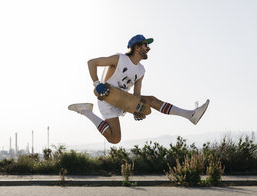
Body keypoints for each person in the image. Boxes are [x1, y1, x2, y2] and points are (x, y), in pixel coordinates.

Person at [68, 34, 210, 144]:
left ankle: (190, 115)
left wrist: (135, 110)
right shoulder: (119, 58)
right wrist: (96, 83)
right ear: (137, 47)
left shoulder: (141, 71)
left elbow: (136, 95)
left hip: (123, 100)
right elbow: (91, 63)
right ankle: (86, 111)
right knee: (114, 138)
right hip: (107, 98)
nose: (148, 48)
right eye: (145, 45)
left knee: (152, 100)